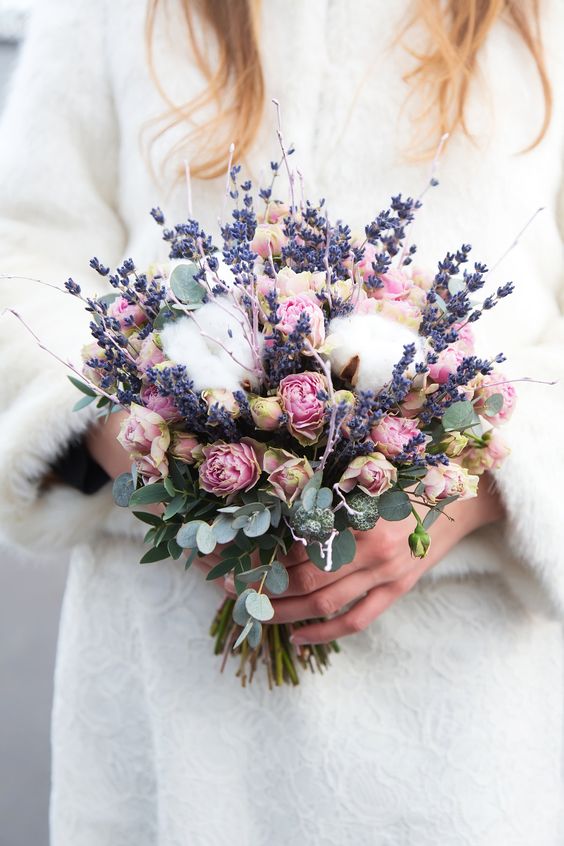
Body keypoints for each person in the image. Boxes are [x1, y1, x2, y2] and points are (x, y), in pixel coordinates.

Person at [1, 0, 563, 843]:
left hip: (458, 710)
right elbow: (25, 257)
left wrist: (464, 492)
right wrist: (154, 449)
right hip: (173, 682)